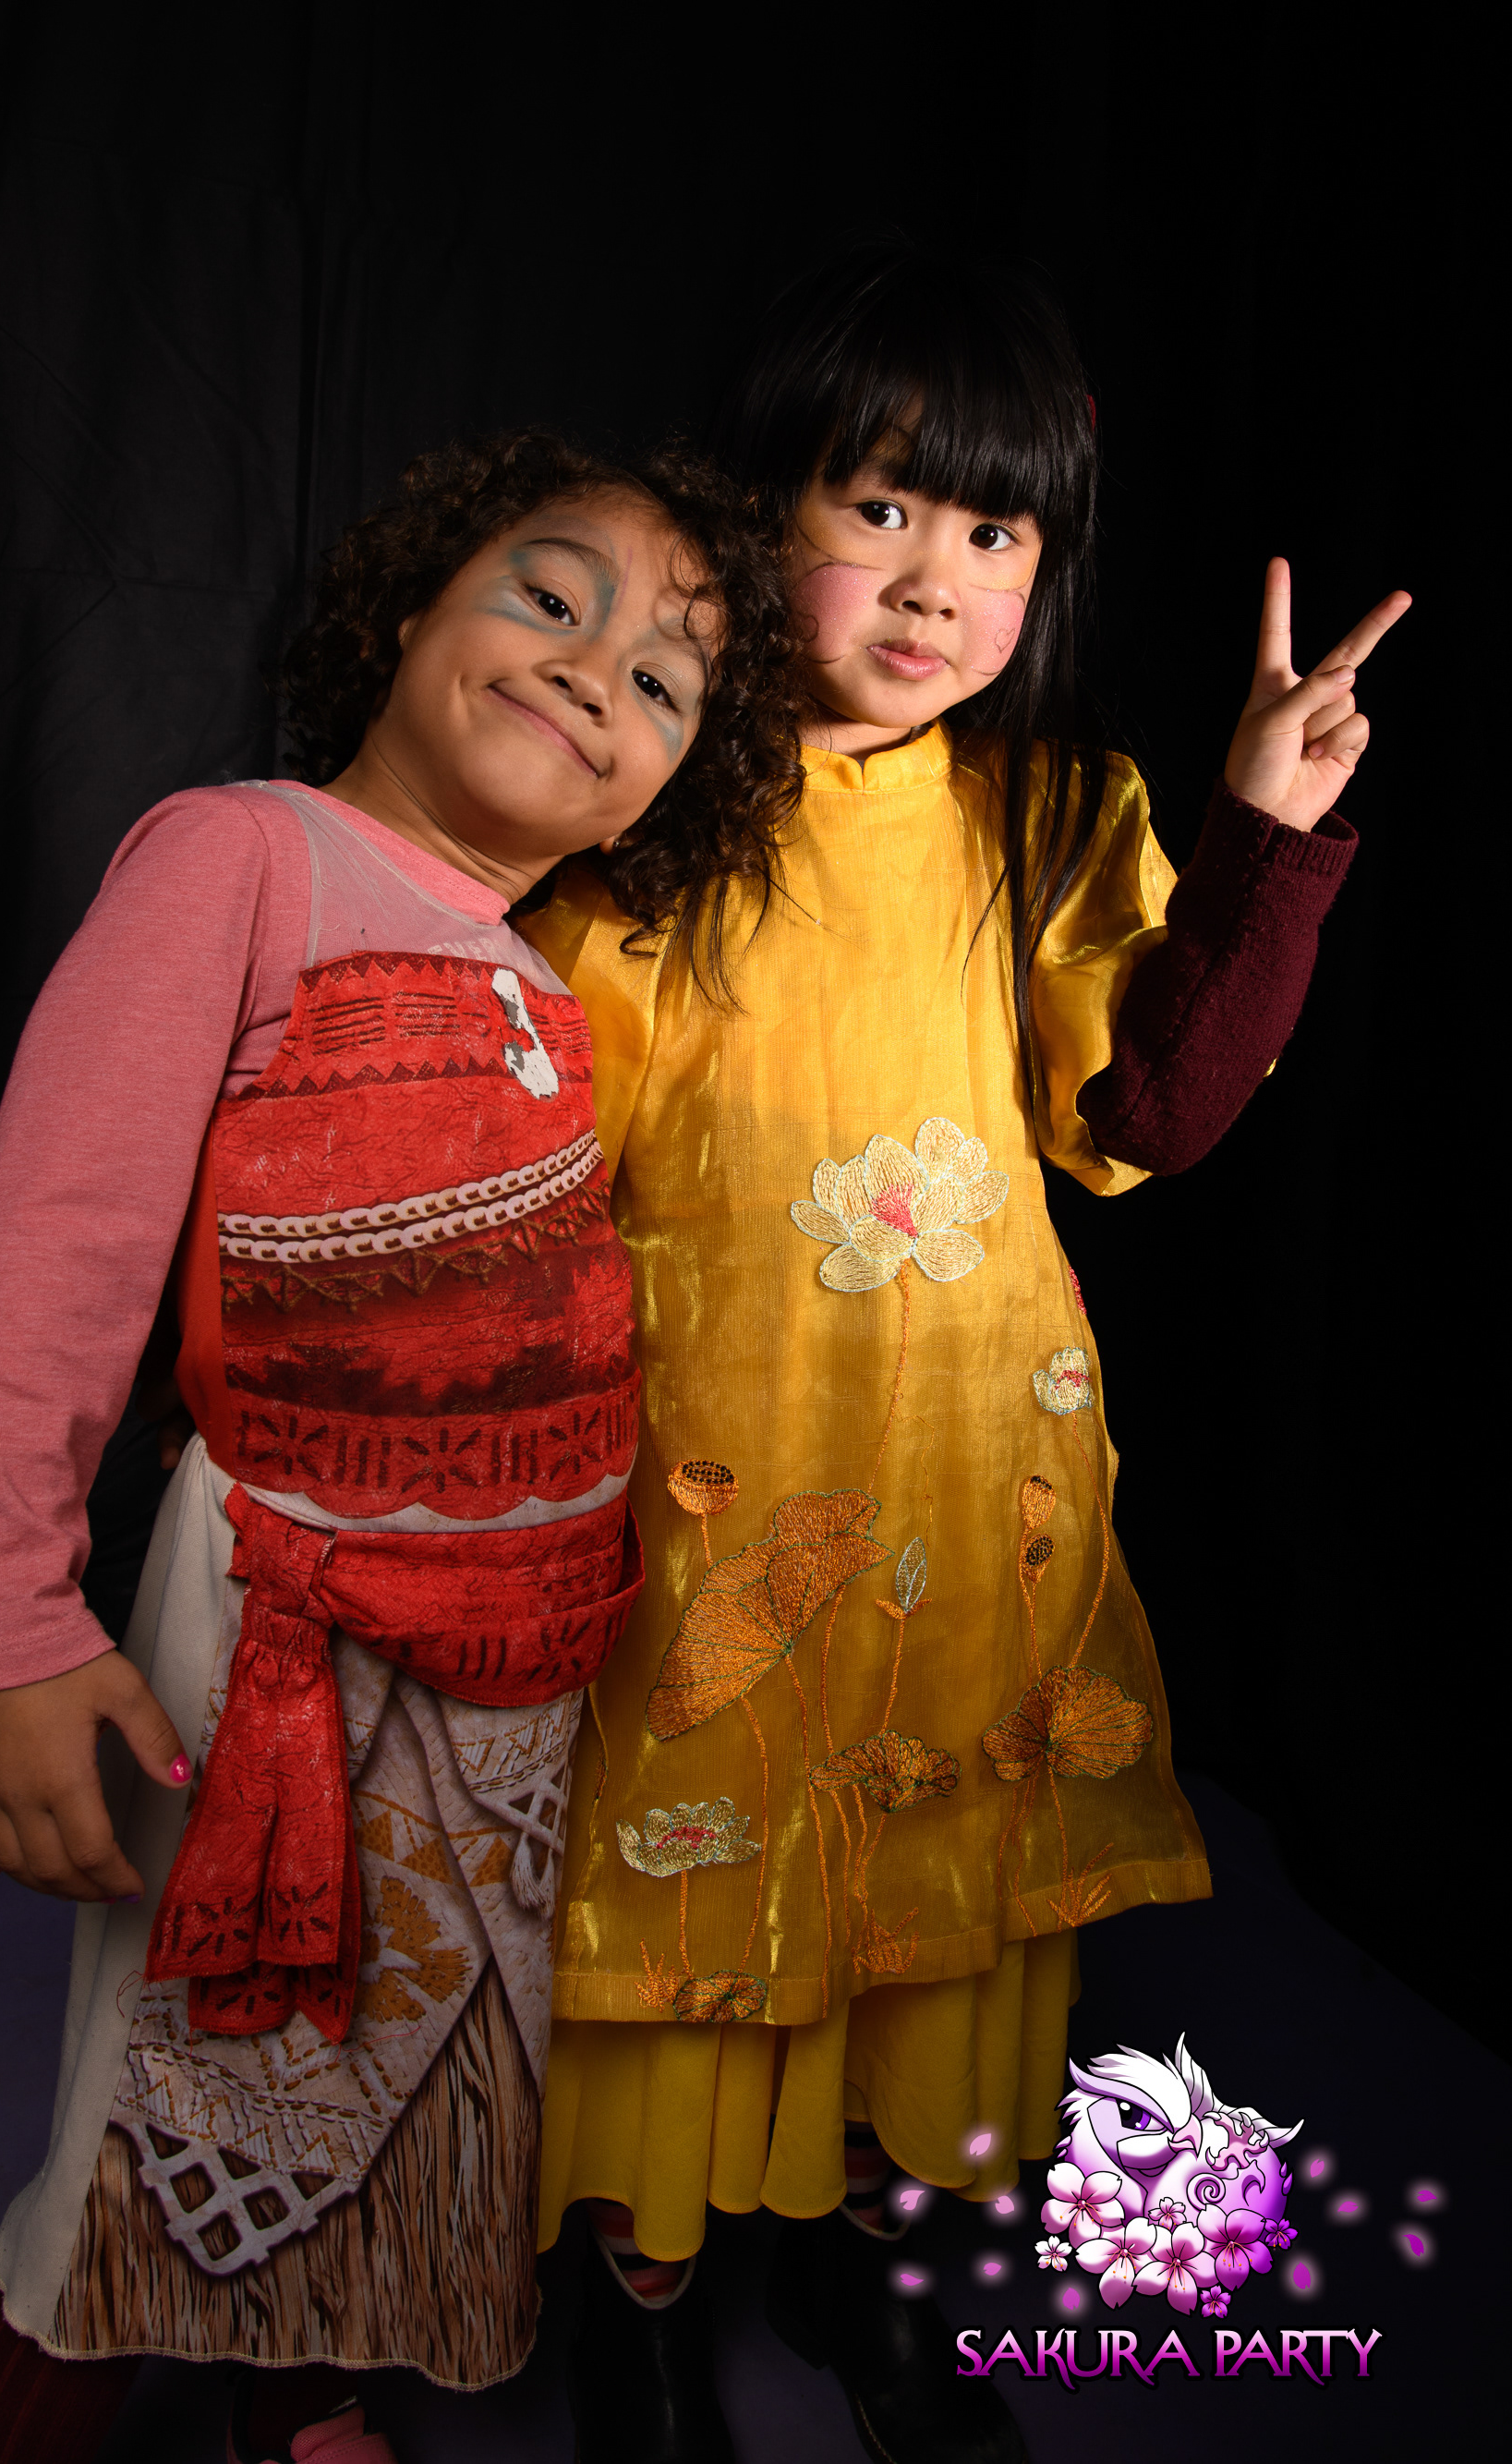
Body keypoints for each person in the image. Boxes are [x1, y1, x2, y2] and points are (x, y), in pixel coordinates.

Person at [516, 242, 1409, 2464]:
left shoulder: (1045, 817)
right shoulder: (637, 824)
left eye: (995, 530)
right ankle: (639, 2315)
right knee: (685, 1894)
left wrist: (1263, 841)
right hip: (706, 1515)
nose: (936, 579)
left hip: (964, 1500)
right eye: (882, 506)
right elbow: (524, 1188)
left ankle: (883, 2272)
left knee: (930, 1911)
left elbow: (1156, 1110)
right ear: (758, 513)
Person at [0, 431, 800, 2464]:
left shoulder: (541, 984)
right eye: (550, 597)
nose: (591, 668)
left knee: (379, 2066)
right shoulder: (243, 855)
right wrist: (10, 1622)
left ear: (660, 791)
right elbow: (57, 1241)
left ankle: (298, 2381)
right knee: (168, 2090)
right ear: (406, 612)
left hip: (497, 1683)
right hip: (278, 1635)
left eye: (660, 680)